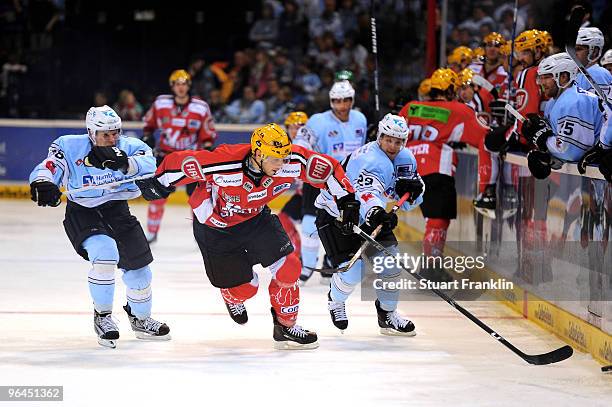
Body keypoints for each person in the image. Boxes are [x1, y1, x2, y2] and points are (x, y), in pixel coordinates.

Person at [136, 123, 360, 349]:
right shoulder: (225, 161)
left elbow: (327, 168)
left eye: (285, 157)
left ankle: (285, 326)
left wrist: (347, 199)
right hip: (216, 229)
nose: (282, 164)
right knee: (247, 289)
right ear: (259, 153)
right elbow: (183, 163)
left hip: (256, 220)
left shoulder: (288, 162)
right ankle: (231, 295)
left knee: (289, 267)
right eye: (276, 159)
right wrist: (159, 182)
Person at [29, 105, 170, 348]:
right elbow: (50, 167)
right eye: (105, 134)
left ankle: (141, 319)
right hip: (83, 213)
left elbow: (152, 164)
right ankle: (103, 317)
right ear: (91, 133)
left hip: (118, 212)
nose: (112, 138)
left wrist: (124, 163)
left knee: (140, 271)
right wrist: (42, 182)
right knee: (105, 254)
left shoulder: (131, 147)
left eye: (116, 132)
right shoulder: (69, 145)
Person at [316, 113, 424, 335]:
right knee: (354, 272)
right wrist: (376, 212)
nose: (392, 146)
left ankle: (388, 314)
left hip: (369, 216)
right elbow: (366, 195)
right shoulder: (369, 159)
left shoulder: (406, 158)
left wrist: (415, 192)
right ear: (380, 136)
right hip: (338, 216)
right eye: (388, 139)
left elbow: (405, 201)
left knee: (391, 266)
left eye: (398, 141)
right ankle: (335, 300)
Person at [399, 68, 490, 282]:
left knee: (430, 218)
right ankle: (431, 267)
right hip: (437, 169)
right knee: (438, 220)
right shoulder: (459, 110)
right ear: (450, 90)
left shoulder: (411, 107)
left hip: (408, 170)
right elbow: (486, 136)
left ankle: (428, 264)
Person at [299, 80, 367, 283]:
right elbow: (301, 143)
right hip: (320, 178)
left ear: (352, 100)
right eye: (337, 101)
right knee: (310, 224)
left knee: (342, 223)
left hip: (347, 182)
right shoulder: (317, 121)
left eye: (346, 100)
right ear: (331, 101)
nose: (342, 105)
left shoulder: (360, 119)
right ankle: (307, 267)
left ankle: (330, 262)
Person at [141, 69, 217, 243]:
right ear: (172, 86)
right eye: (177, 84)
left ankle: (201, 235)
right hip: (166, 157)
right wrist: (147, 136)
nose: (181, 88)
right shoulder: (161, 104)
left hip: (191, 158)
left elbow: (208, 132)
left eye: (184, 84)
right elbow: (149, 124)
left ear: (189, 85)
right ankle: (152, 233)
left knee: (197, 197)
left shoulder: (200, 107)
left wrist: (207, 148)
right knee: (158, 195)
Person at [522, 53, 612, 178]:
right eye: (540, 78)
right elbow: (561, 145)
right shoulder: (552, 103)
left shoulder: (574, 101)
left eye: (547, 77)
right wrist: (544, 153)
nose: (541, 83)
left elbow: (572, 151)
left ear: (564, 77)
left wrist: (543, 140)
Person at [574, 27, 612, 99]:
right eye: (573, 49)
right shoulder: (578, 73)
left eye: (579, 49)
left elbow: (599, 109)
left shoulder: (598, 74)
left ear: (594, 51)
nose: (574, 53)